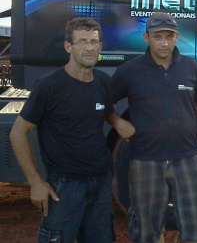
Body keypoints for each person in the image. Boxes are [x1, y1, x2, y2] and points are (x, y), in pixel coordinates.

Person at [9, 17, 135, 243]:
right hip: (65, 185)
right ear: (68, 46)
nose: (89, 47)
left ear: (100, 47)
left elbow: (102, 109)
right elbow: (18, 132)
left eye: (94, 42)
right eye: (82, 42)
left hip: (101, 180)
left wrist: (116, 121)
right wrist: (36, 182)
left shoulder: (103, 82)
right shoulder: (49, 86)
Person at [109, 12, 197, 243]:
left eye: (169, 37)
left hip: (189, 158)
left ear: (176, 37)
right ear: (146, 37)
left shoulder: (192, 68)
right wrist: (116, 121)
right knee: (147, 231)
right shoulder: (130, 71)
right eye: (157, 37)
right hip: (145, 160)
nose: (164, 43)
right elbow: (101, 101)